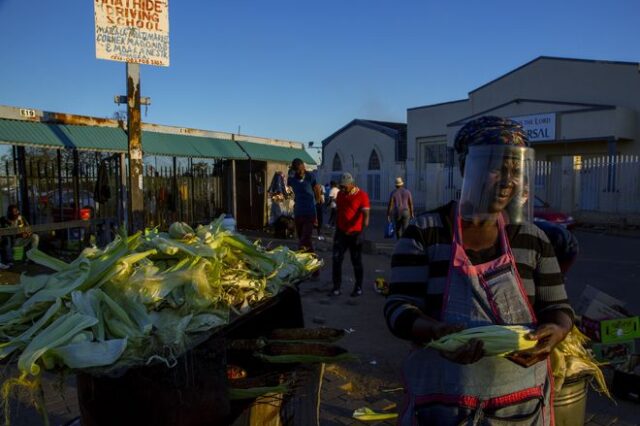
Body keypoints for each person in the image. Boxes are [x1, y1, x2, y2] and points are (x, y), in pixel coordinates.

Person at [385, 116, 573, 425]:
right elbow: (397, 309)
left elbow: (558, 307)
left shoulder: (534, 239)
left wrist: (557, 331)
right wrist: (435, 332)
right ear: (466, 168)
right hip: (441, 405)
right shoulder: (426, 232)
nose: (507, 181)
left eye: (516, 171)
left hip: (521, 409)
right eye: (496, 168)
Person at [330, 172, 370, 297]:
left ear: (352, 184)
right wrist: (335, 227)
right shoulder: (341, 195)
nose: (342, 189)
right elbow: (339, 211)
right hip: (341, 233)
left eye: (344, 187)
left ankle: (358, 287)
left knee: (356, 261)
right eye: (341, 186)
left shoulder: (362, 195)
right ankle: (336, 287)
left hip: (355, 234)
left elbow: (366, 217)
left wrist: (360, 233)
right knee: (336, 259)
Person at [288, 158, 322, 253]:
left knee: (305, 238)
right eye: (297, 170)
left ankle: (310, 259)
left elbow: (317, 188)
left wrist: (317, 200)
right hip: (298, 212)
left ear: (303, 167)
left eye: (300, 169)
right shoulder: (292, 179)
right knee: (301, 237)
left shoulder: (310, 176)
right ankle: (307, 258)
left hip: (309, 212)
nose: (299, 172)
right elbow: (288, 187)